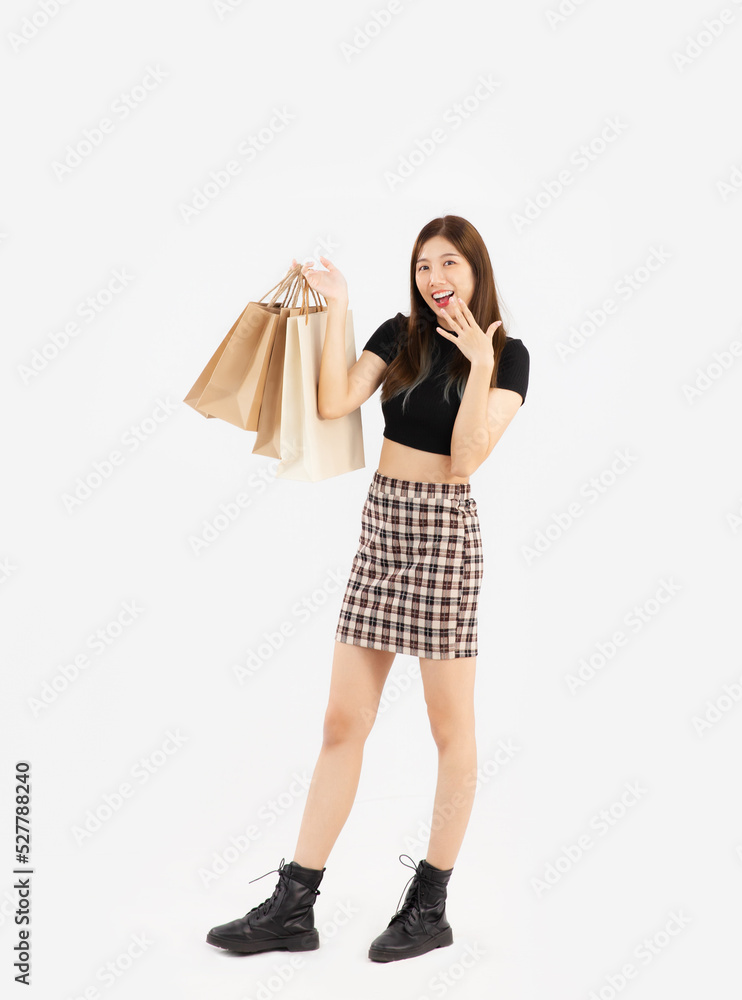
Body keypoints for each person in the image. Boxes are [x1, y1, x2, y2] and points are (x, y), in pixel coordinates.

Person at [206, 215, 530, 964]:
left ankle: (430, 903)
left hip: (444, 536)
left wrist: (480, 363)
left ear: (477, 271)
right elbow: (332, 404)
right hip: (382, 529)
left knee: (451, 731)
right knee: (342, 721)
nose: (434, 276)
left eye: (449, 262)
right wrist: (342, 305)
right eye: (422, 265)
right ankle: (295, 904)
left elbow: (465, 462)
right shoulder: (400, 334)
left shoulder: (509, 357)